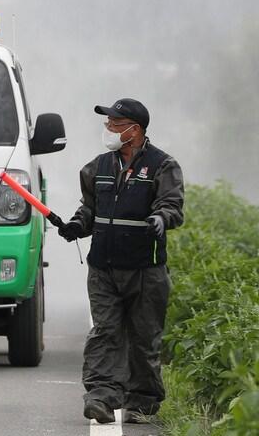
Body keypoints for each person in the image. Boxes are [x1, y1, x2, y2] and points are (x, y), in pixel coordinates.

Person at [57, 97, 185, 425]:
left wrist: (161, 219)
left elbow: (172, 205)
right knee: (105, 332)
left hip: (146, 269)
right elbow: (90, 209)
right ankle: (101, 397)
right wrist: (76, 225)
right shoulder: (96, 167)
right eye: (108, 124)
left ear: (135, 130)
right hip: (103, 269)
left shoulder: (163, 166)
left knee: (144, 339)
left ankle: (141, 402)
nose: (109, 129)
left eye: (115, 124)